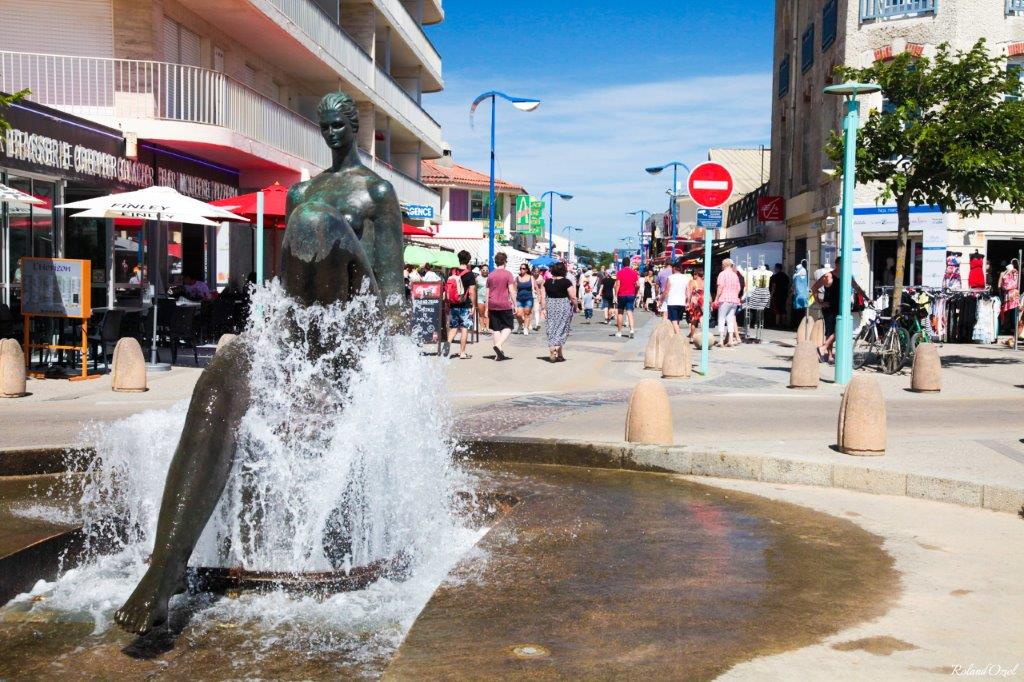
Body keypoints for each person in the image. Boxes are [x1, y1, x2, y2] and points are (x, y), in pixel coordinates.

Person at [810, 256, 866, 363]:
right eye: (842, 264)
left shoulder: (847, 276)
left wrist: (868, 299)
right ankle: (829, 355)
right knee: (830, 330)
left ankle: (823, 348)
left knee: (841, 329)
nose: (845, 266)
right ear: (837, 264)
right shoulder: (828, 276)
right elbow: (814, 288)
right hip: (829, 307)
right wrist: (820, 302)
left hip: (842, 307)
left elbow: (857, 288)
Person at [539, 260, 578, 362]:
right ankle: (555, 348)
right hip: (563, 306)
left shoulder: (546, 282)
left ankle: (558, 352)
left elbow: (543, 297)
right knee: (562, 328)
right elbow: (573, 297)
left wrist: (543, 309)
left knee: (552, 327)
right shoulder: (566, 282)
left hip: (551, 305)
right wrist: (576, 306)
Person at [445, 250, 476, 359]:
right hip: (465, 304)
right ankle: (462, 353)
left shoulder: (452, 272)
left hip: (453, 304)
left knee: (454, 327)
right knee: (464, 328)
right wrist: (473, 306)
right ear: (468, 260)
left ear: (458, 259)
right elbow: (471, 291)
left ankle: (447, 343)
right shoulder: (470, 274)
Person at [486, 252, 517, 361]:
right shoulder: (508, 274)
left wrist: (486, 308)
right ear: (505, 261)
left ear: (496, 261)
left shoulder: (491, 275)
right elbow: (512, 291)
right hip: (504, 304)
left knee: (496, 328)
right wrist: (515, 304)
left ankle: (498, 355)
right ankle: (498, 345)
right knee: (509, 327)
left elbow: (487, 292)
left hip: (492, 303)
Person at [713, 259, 742, 347]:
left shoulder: (722, 274)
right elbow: (739, 288)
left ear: (724, 265)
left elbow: (720, 287)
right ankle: (730, 340)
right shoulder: (735, 275)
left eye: (722, 264)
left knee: (721, 319)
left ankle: (721, 340)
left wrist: (716, 298)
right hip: (734, 300)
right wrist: (735, 295)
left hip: (724, 299)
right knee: (730, 320)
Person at [660, 260, 689, 335]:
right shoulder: (685, 278)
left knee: (673, 320)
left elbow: (666, 291)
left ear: (674, 268)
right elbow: (688, 292)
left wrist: (661, 301)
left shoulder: (670, 277)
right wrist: (688, 302)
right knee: (677, 321)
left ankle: (679, 337)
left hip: (672, 302)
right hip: (682, 302)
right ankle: (675, 338)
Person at [613, 258, 640, 338]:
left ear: (623, 264)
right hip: (631, 295)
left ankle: (619, 332)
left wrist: (615, 295)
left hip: (621, 295)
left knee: (620, 313)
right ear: (629, 264)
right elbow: (638, 285)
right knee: (629, 312)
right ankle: (631, 330)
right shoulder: (634, 273)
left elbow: (617, 284)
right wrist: (636, 292)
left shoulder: (620, 273)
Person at [515, 264, 535, 334]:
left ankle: (525, 328)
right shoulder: (517, 278)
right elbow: (515, 289)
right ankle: (521, 325)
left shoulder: (531, 277)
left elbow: (534, 287)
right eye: (520, 268)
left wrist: (537, 294)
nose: (521, 270)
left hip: (528, 298)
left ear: (526, 270)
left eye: (523, 268)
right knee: (518, 314)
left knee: (527, 313)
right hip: (519, 298)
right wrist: (512, 299)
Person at [768, 263, 790, 328]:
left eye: (775, 268)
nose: (774, 269)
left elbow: (774, 287)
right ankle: (783, 324)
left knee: (777, 310)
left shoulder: (774, 277)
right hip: (784, 295)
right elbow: (788, 286)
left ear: (777, 268)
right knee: (783, 309)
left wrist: (771, 295)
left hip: (776, 295)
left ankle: (777, 324)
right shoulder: (786, 276)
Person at [687, 270, 705, 340]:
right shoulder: (704, 282)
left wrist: (688, 302)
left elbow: (690, 293)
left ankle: (692, 337)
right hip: (703, 301)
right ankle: (704, 336)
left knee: (694, 320)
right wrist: (710, 302)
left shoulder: (693, 282)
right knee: (703, 319)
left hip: (695, 302)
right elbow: (708, 293)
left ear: (696, 274)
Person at [475, 265, 489, 331]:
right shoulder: (477, 278)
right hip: (480, 298)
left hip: (488, 298)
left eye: (486, 270)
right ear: (481, 271)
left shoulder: (490, 278)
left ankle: (487, 327)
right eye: (483, 270)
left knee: (487, 313)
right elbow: (475, 288)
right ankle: (482, 327)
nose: (485, 271)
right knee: (481, 313)